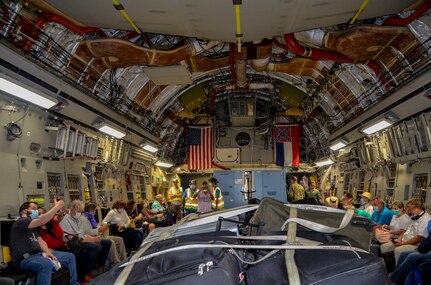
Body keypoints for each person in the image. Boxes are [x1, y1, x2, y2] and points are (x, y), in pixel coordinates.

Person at [9, 199, 77, 285]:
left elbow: (40, 241)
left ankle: (73, 283)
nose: (36, 211)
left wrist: (49, 253)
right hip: (24, 259)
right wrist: (57, 207)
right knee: (46, 265)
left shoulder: (33, 226)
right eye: (33, 209)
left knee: (70, 257)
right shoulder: (21, 222)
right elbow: (42, 220)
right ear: (25, 211)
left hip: (38, 254)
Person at [60, 200, 111, 282]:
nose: (79, 214)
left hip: (81, 238)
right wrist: (93, 240)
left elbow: (83, 233)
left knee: (106, 243)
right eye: (78, 211)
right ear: (72, 210)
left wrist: (93, 238)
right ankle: (87, 273)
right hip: (72, 243)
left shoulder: (78, 219)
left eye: (80, 212)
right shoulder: (65, 220)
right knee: (95, 247)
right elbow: (73, 238)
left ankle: (98, 266)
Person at [380, 198, 430, 263]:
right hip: (404, 241)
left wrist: (403, 243)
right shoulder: (414, 217)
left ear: (417, 208)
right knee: (385, 247)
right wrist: (399, 240)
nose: (409, 212)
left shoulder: (426, 219)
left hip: (414, 244)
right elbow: (405, 231)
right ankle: (387, 268)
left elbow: (419, 238)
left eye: (410, 210)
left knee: (398, 250)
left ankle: (398, 270)